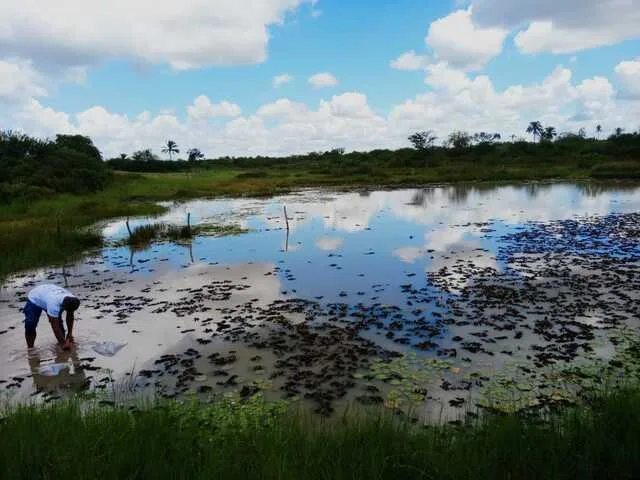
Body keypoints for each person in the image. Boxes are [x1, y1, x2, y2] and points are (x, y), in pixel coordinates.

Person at [23, 284, 80, 349]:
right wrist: (63, 343)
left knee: (59, 323)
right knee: (30, 323)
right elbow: (55, 326)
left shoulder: (72, 300)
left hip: (47, 293)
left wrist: (70, 334)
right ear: (63, 306)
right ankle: (30, 349)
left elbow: (70, 316)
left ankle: (61, 343)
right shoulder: (54, 305)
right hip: (35, 298)